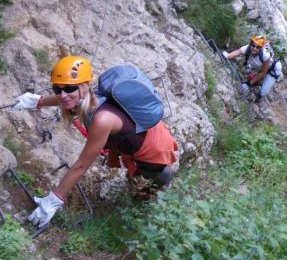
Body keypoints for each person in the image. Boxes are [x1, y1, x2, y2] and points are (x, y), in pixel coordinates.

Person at [12, 55, 178, 228]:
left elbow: (82, 166)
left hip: (153, 147)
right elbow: (67, 98)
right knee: (136, 171)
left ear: (84, 86)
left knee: (154, 173)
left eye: (69, 87)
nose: (63, 94)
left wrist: (54, 199)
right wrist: (37, 101)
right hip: (139, 135)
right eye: (57, 88)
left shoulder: (101, 120)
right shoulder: (89, 96)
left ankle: (163, 184)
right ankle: (141, 181)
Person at [223, 35, 282, 103]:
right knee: (255, 79)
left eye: (258, 47)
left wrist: (248, 83)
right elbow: (236, 53)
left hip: (273, 68)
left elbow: (262, 72)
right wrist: (227, 55)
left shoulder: (265, 55)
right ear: (250, 44)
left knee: (263, 91)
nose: (254, 48)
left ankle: (259, 97)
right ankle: (257, 82)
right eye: (253, 45)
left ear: (261, 48)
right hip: (261, 66)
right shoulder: (247, 48)